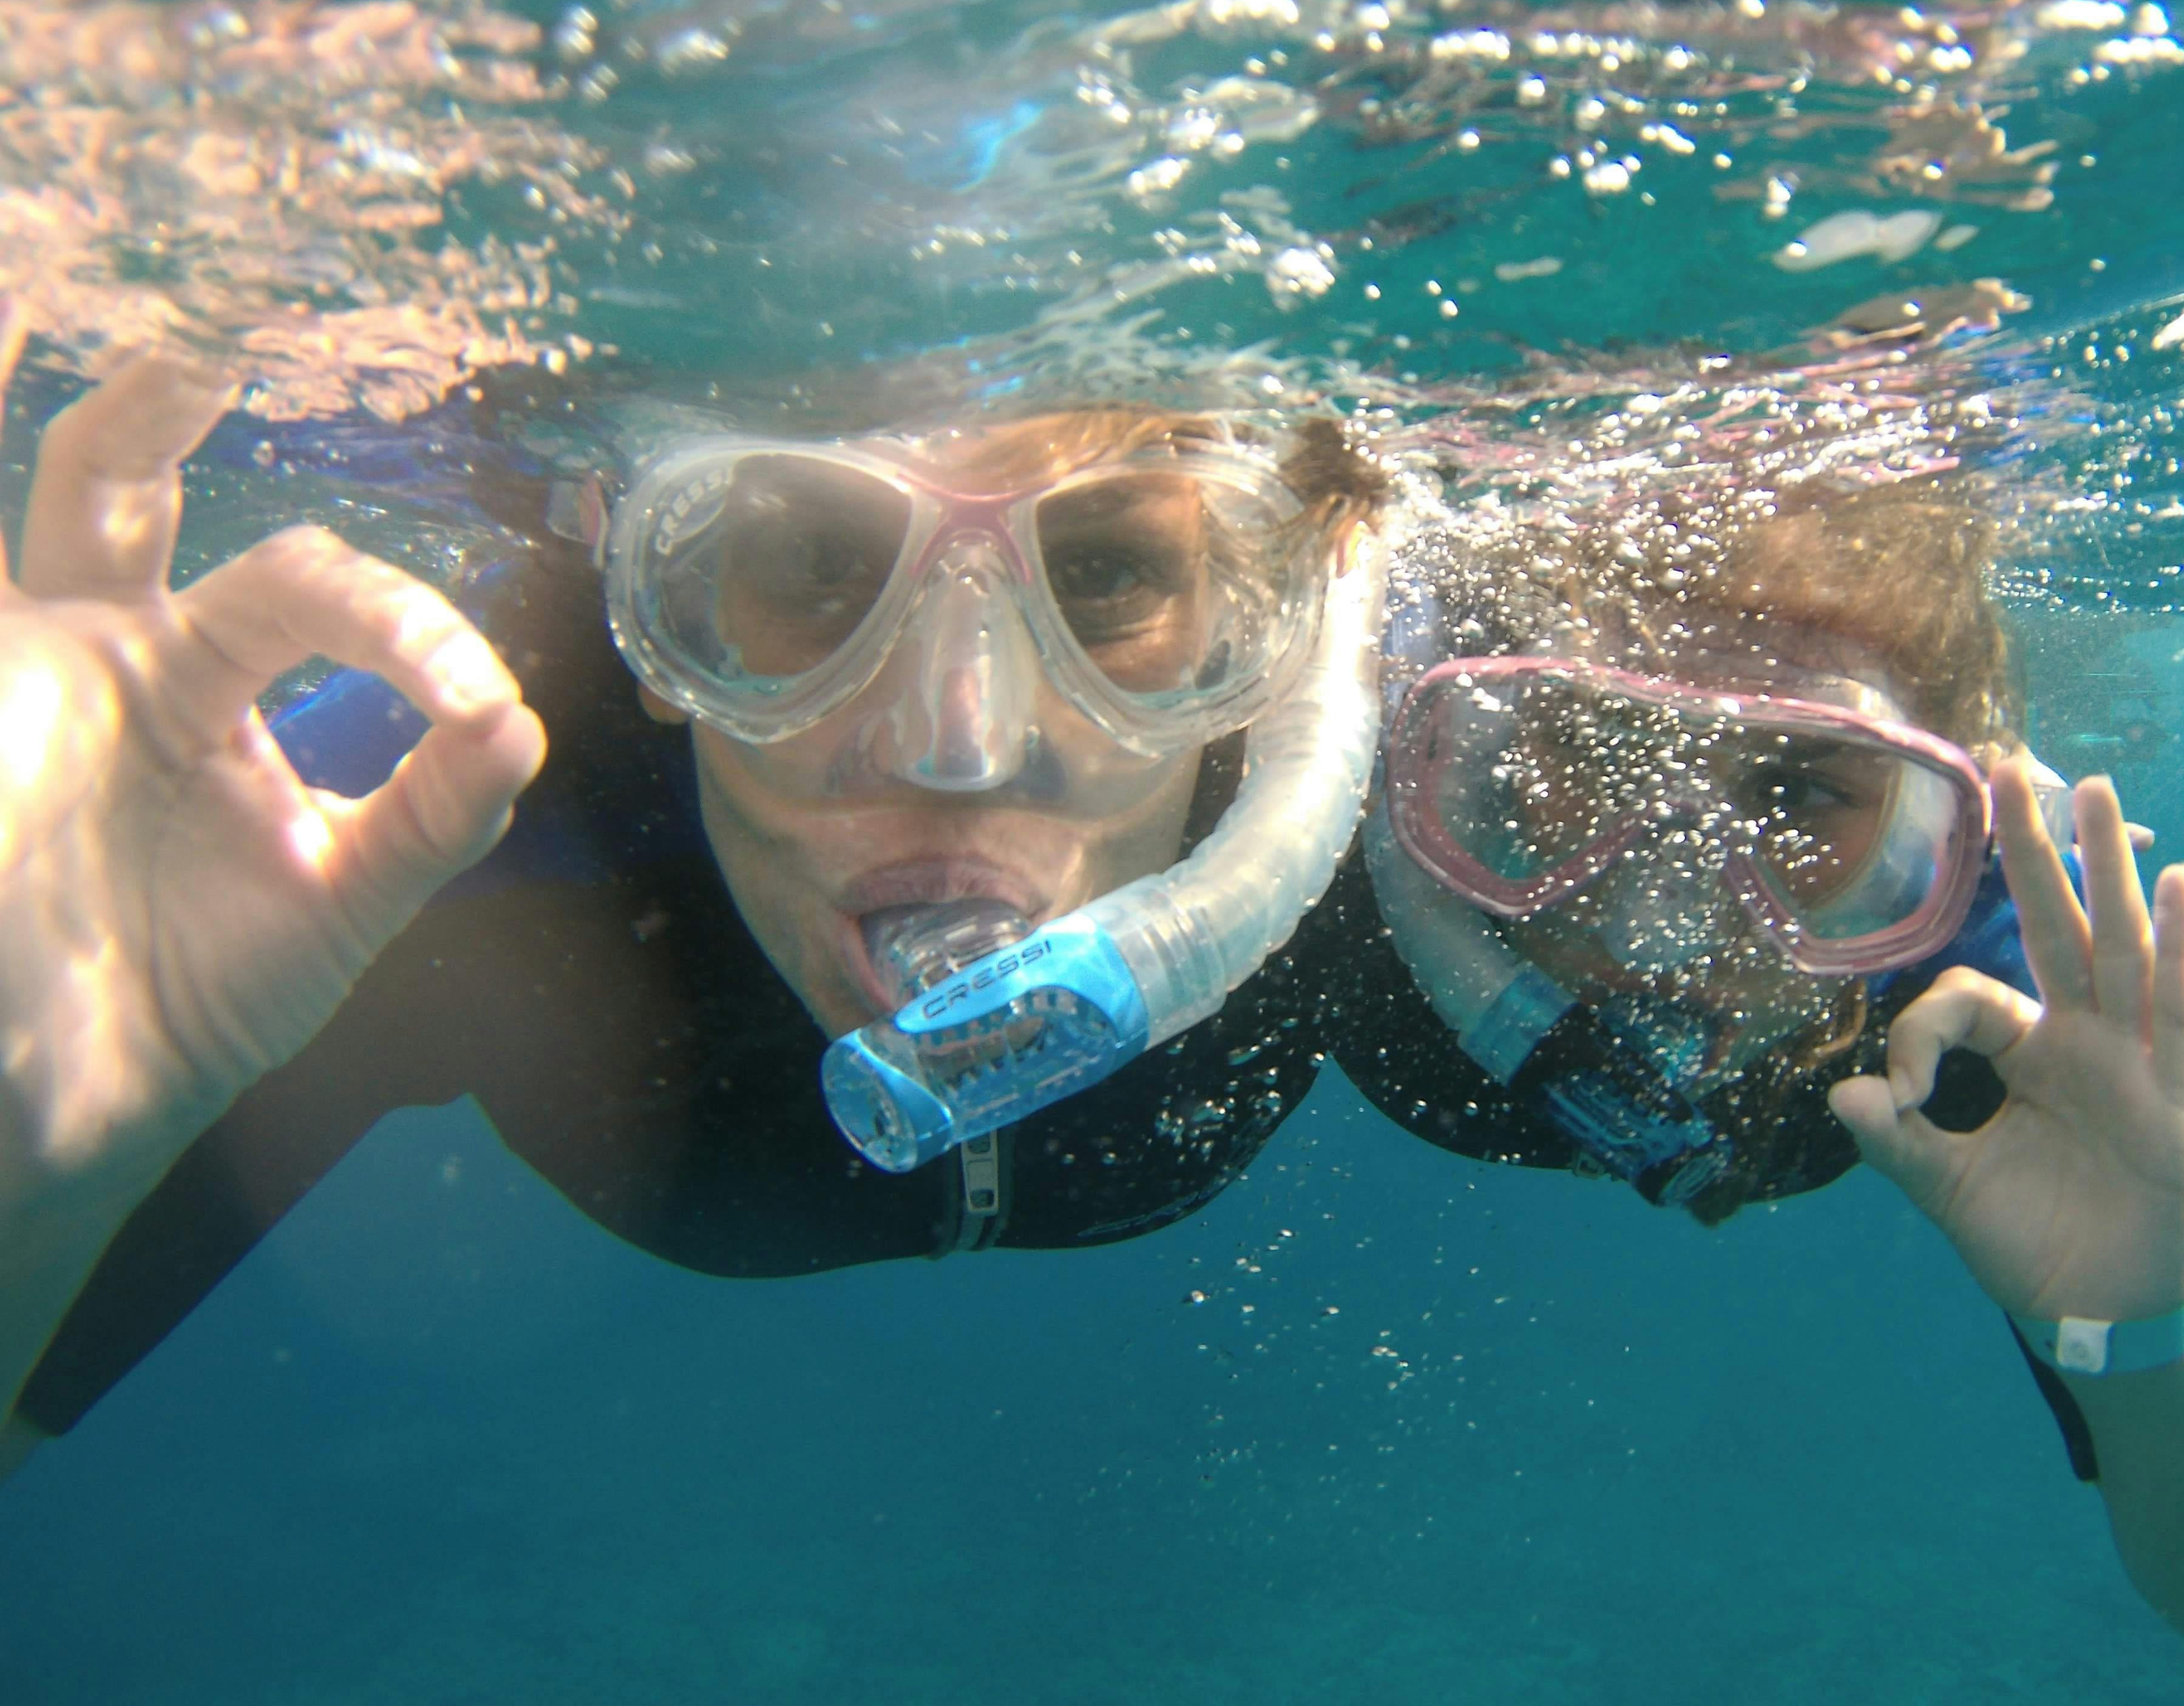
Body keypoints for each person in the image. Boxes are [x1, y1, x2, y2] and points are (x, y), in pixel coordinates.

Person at [0, 333, 1386, 1480]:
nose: (955, 747)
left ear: (1263, 627)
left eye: (1106, 574)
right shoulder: (421, 823)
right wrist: (30, 1173)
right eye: (814, 564)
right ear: (647, 616)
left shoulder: (1433, 816)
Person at [1307, 470, 2184, 1670]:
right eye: (1600, 741)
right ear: (1487, 725)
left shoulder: (1995, 988)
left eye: (1798, 788)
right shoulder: (1324, 794)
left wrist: (2144, 1349)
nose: (1668, 910)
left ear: (1930, 824)